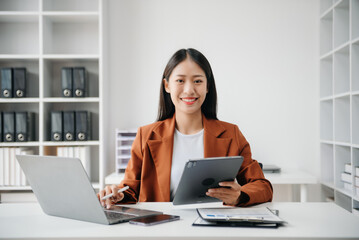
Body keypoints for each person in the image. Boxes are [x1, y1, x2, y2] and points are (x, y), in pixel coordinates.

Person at [98, 48, 273, 208]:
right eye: (180, 80)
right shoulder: (146, 135)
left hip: (214, 228)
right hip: (161, 228)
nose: (189, 90)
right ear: (167, 85)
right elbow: (129, 190)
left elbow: (262, 186)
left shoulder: (231, 134)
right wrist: (115, 195)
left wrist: (239, 196)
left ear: (207, 86)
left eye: (197, 81)